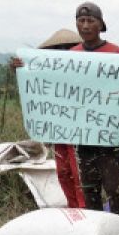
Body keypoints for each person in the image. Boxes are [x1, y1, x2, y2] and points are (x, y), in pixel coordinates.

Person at [11, 2, 119, 216]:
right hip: (83, 136)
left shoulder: (116, 52)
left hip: (109, 135)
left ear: (100, 25)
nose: (85, 25)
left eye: (90, 21)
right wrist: (23, 70)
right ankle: (94, 231)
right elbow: (54, 85)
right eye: (81, 21)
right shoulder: (72, 55)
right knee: (89, 189)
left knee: (114, 188)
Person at [36, 28, 84, 208]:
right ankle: (73, 206)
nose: (64, 52)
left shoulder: (82, 73)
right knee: (63, 172)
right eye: (59, 49)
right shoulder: (49, 76)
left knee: (77, 171)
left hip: (78, 129)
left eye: (68, 48)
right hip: (58, 128)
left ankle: (83, 208)